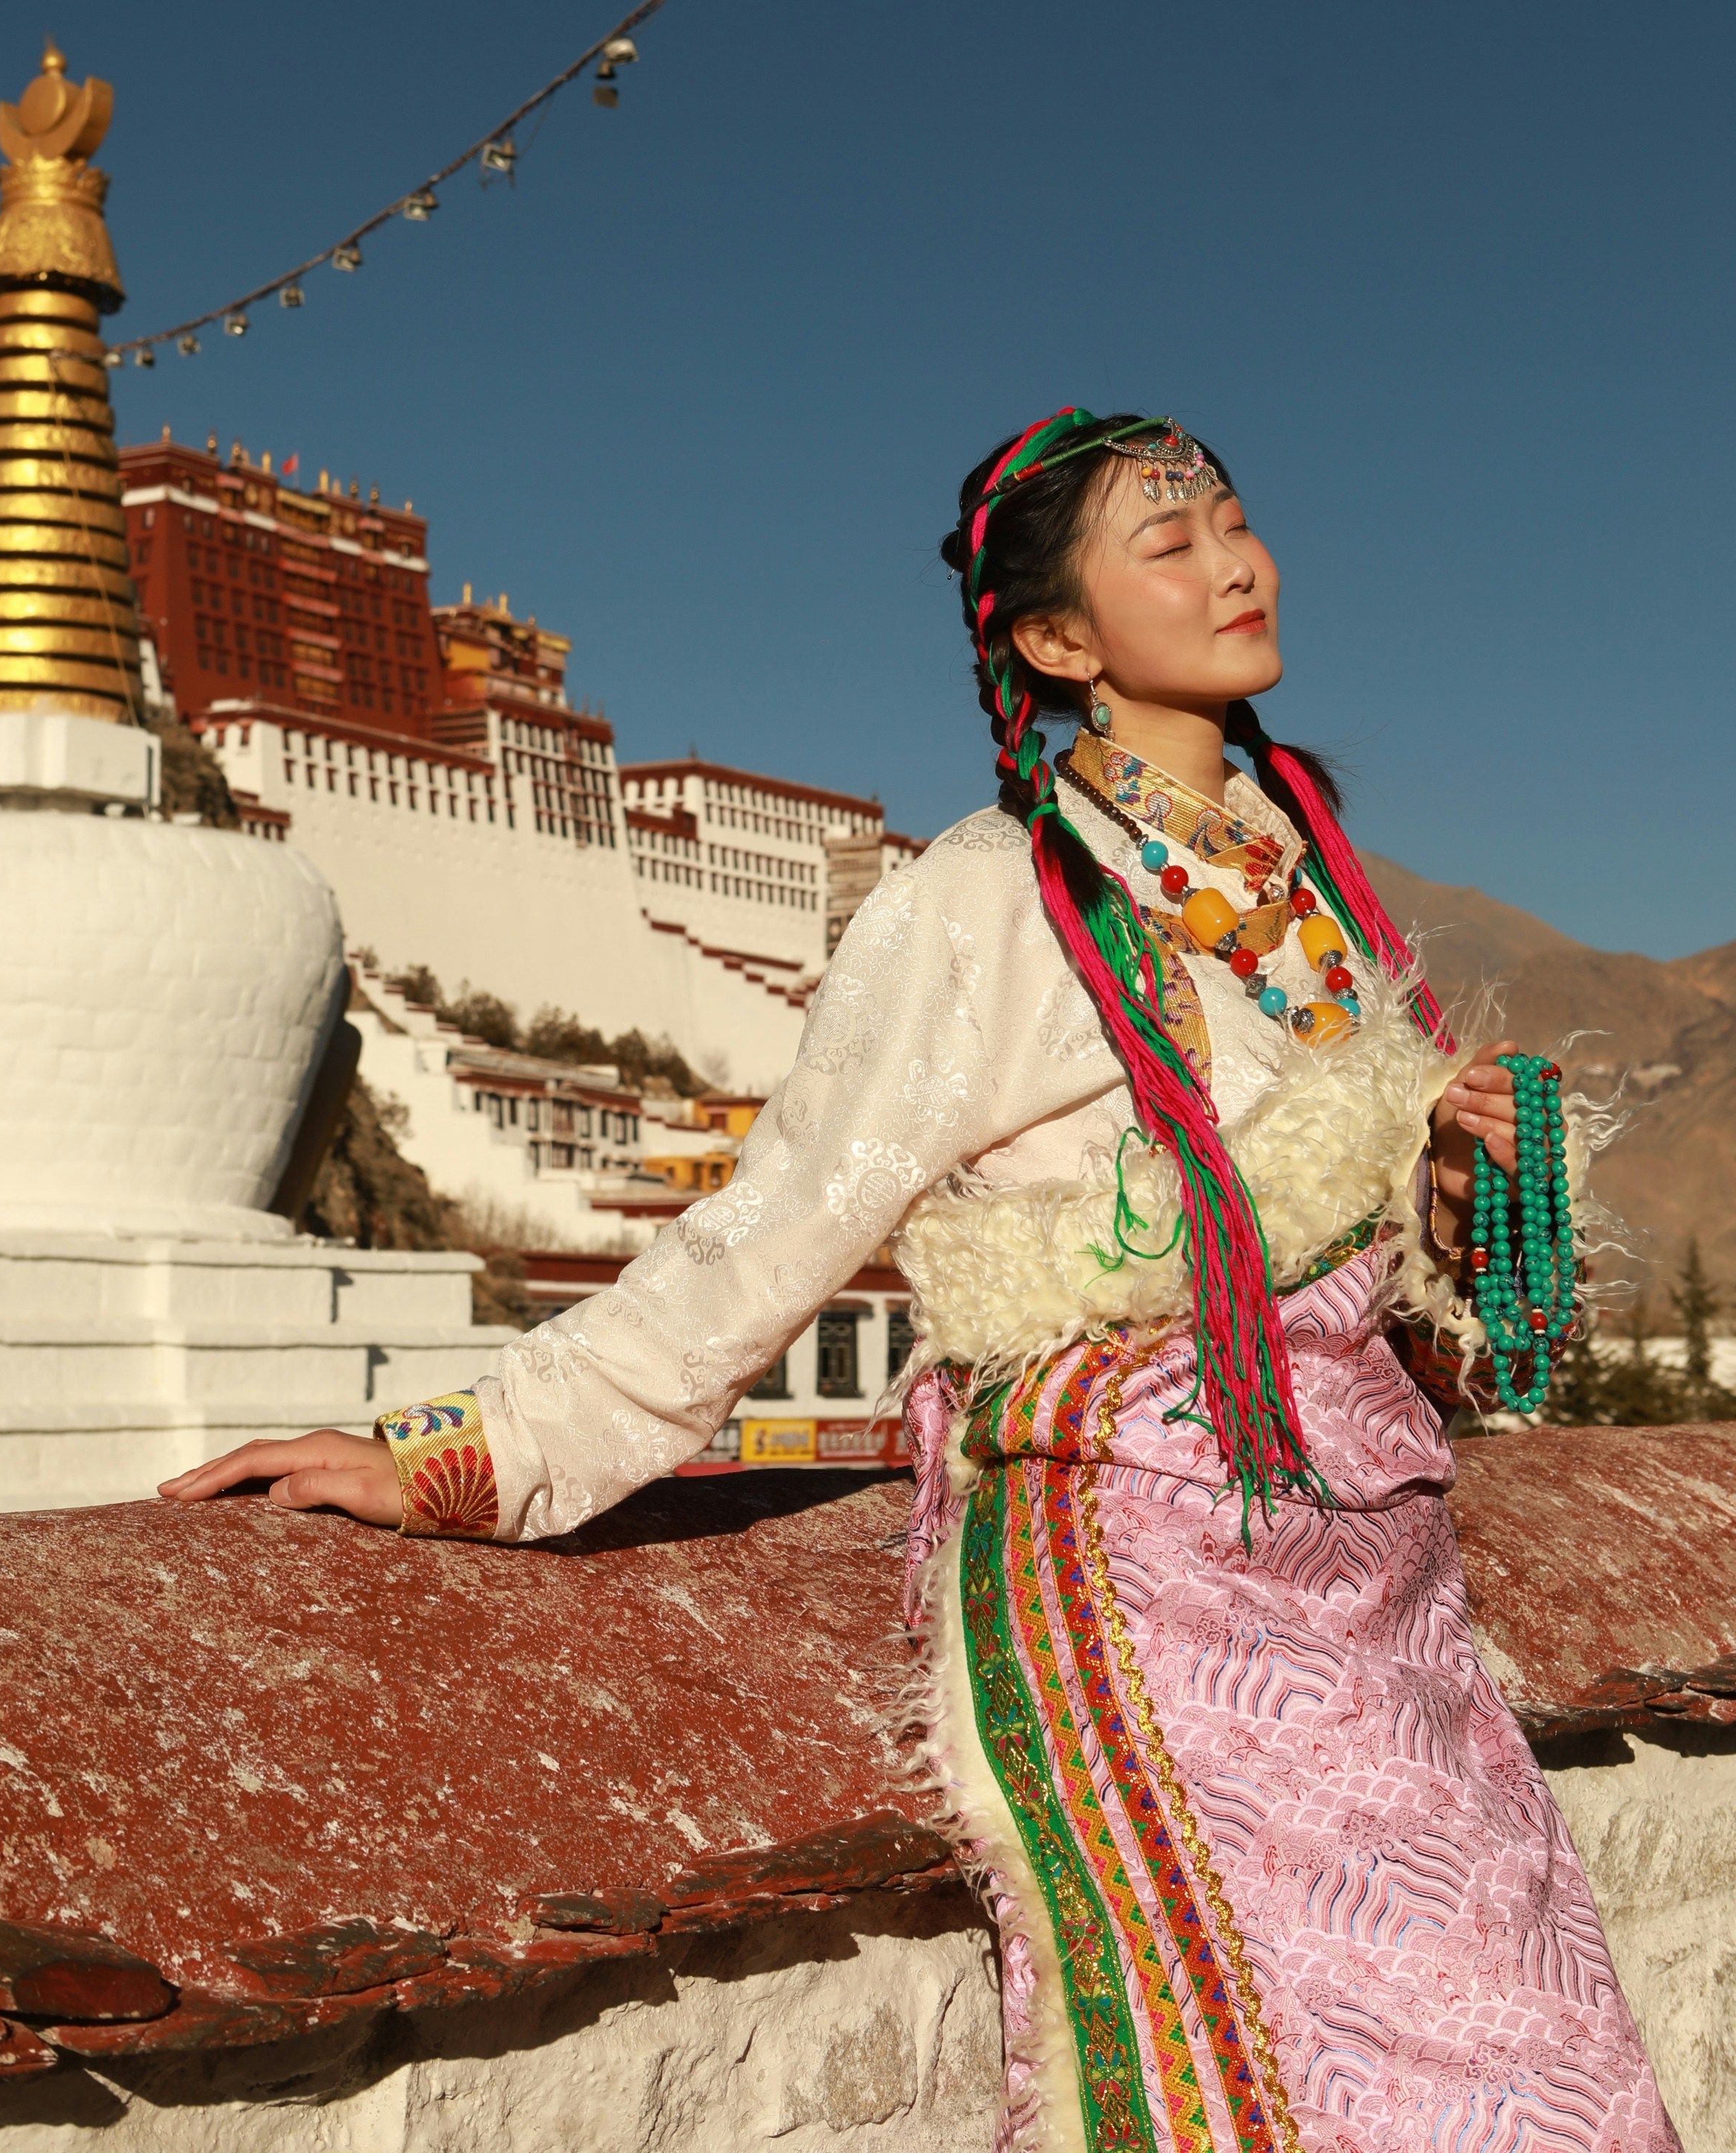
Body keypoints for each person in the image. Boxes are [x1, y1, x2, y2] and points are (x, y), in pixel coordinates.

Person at [162, 405, 1677, 2153]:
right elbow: (792, 1213)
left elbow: (1369, 1268)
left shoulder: (1307, 877)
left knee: (1528, 2052)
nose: (1237, 563)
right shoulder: (989, 897)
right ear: (1057, 640)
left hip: (1379, 1563)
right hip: (1158, 1560)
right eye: (1167, 547)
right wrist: (485, 1448)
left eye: (1235, 522)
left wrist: (1446, 1154)